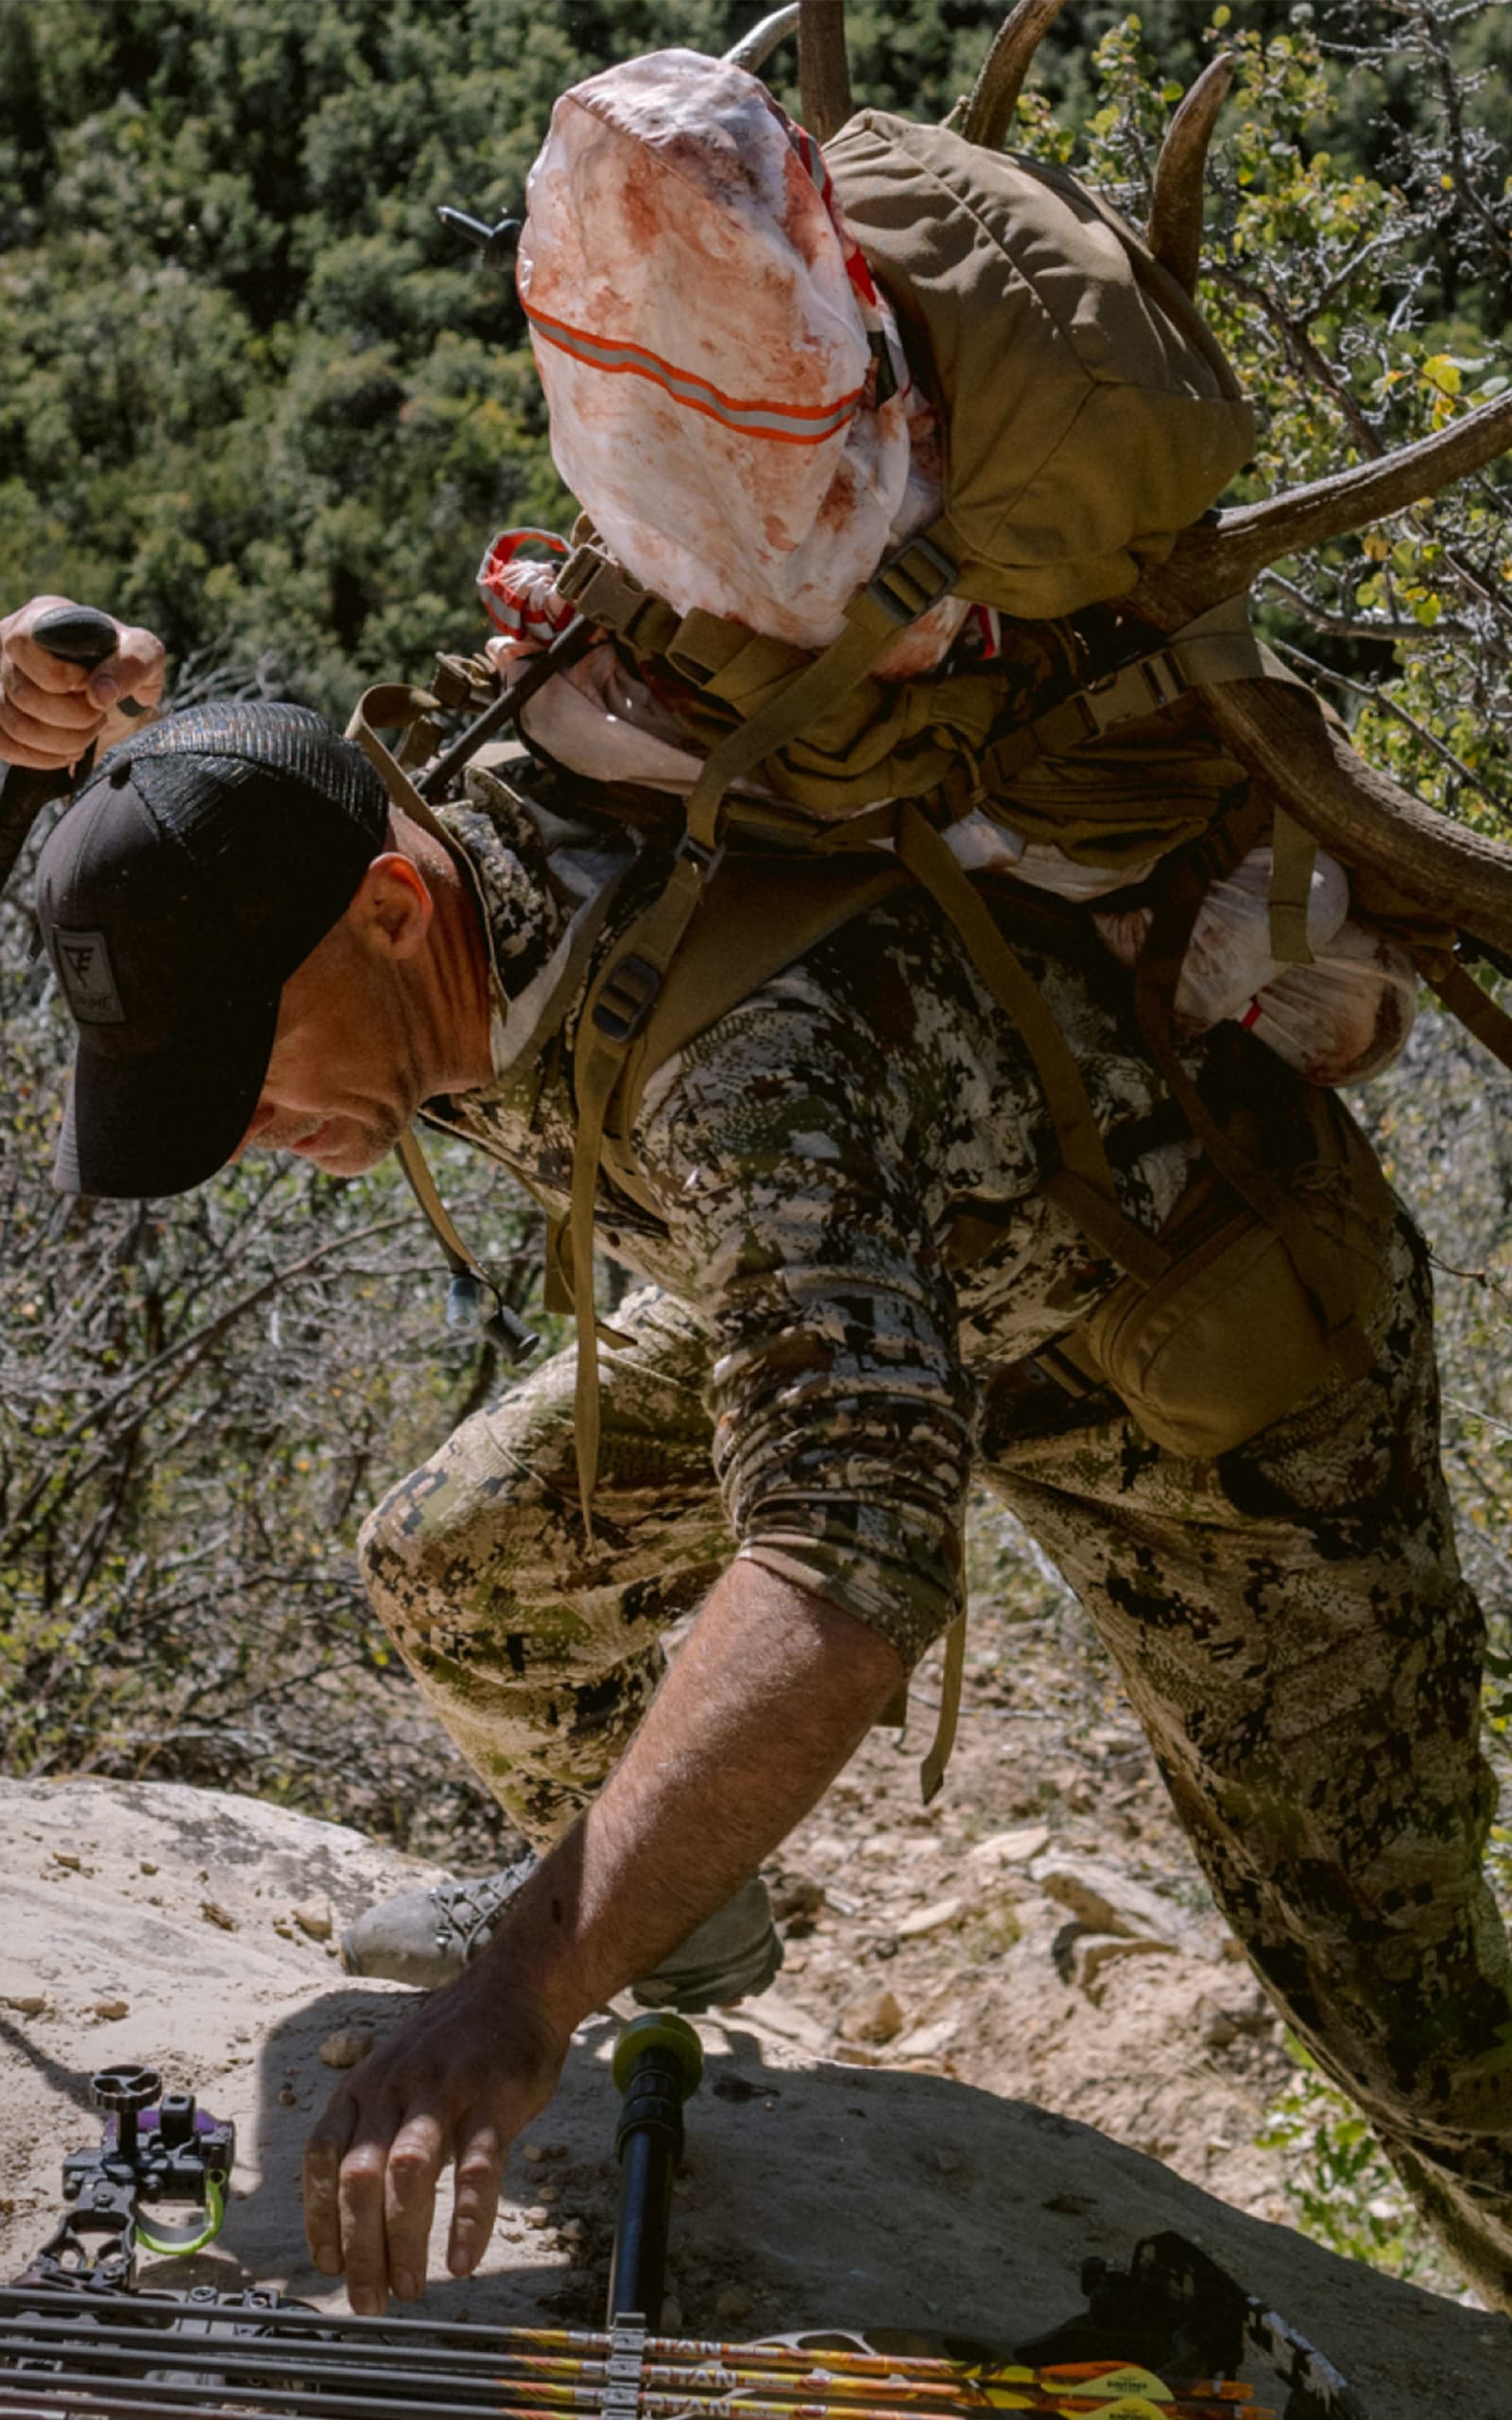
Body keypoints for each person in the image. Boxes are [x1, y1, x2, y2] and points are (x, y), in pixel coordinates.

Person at [5, 593, 1512, 2325]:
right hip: (868, 1271)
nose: (249, 1126)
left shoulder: (748, 1068)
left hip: (1194, 1364)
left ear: (394, 908)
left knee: (1391, 1987)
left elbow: (845, 1567)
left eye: (243, 1067)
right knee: (469, 1559)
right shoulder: (383, 868)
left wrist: (521, 1996)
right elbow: (192, 836)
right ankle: (685, 1919)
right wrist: (27, 734)